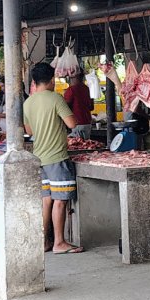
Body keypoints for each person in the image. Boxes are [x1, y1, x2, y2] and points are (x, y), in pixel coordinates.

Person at [24, 61, 82, 254]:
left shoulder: (28, 102)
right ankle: (59, 242)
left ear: (34, 81)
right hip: (57, 157)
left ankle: (44, 241)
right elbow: (72, 123)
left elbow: (29, 130)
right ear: (51, 80)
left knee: (46, 200)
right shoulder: (55, 98)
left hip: (39, 157)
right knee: (60, 200)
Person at [63, 68, 94, 140]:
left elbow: (65, 108)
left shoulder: (71, 90)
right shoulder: (87, 89)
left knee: (77, 145)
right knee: (85, 144)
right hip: (87, 123)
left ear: (73, 76)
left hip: (76, 123)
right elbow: (91, 107)